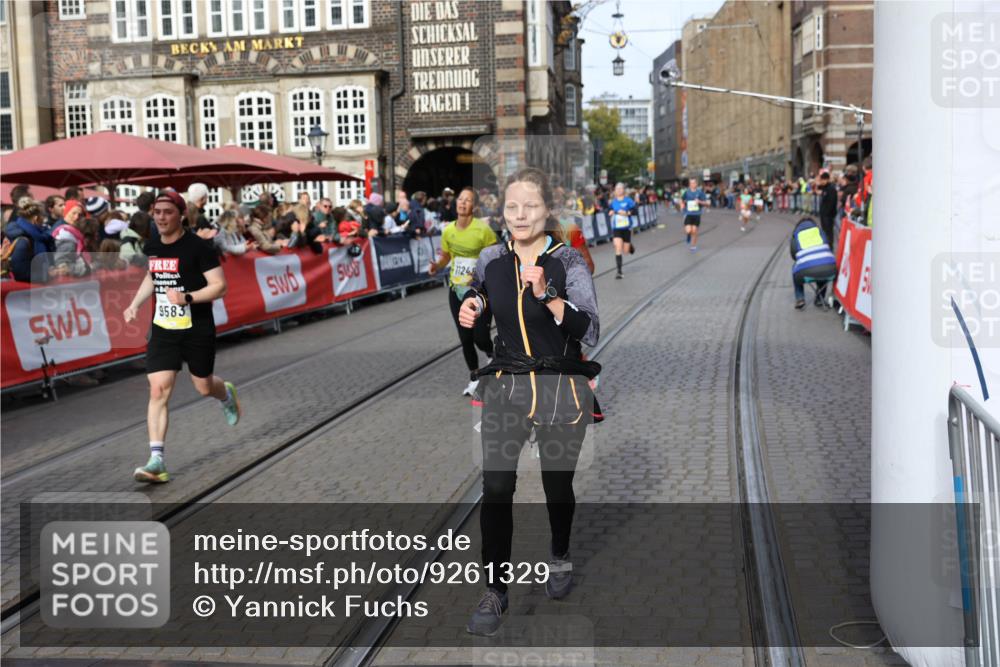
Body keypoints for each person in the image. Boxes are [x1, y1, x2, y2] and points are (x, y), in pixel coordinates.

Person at [457, 167, 600, 636]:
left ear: (547, 211)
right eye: (512, 207)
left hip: (560, 388)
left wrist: (549, 297)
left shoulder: (569, 262)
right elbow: (480, 324)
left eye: (530, 206)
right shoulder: (491, 259)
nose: (520, 215)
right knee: (496, 487)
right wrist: (471, 313)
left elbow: (590, 331)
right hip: (506, 386)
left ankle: (559, 553)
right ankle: (495, 591)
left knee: (557, 488)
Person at [123, 189, 241, 484]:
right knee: (158, 390)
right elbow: (154, 275)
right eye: (157, 212)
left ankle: (224, 394)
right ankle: (156, 460)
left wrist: (187, 297)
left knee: (203, 386)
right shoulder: (152, 245)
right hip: (163, 328)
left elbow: (219, 286)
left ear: (181, 215)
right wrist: (135, 303)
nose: (161, 217)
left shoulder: (199, 248)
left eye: (168, 212)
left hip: (196, 326)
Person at [428, 186, 497, 396]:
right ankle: (474, 378)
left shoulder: (483, 230)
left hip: (479, 292)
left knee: (480, 337)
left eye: (468, 200)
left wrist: (478, 275)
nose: (463, 202)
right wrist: (437, 266)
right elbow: (447, 256)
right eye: (460, 199)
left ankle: (493, 354)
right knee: (465, 338)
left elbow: (494, 258)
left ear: (474, 206)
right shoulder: (448, 230)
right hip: (456, 290)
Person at [790, 217, 837, 310]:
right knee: (822, 262)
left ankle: (800, 298)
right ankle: (820, 298)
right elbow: (828, 245)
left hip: (806, 271)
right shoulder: (820, 231)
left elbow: (793, 255)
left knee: (794, 268)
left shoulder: (796, 234)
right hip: (830, 270)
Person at [3, 200, 56, 283]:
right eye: (43, 217)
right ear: (36, 218)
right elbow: (21, 274)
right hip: (26, 291)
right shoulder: (23, 239)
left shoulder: (37, 236)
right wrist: (48, 274)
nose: (44, 220)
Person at [52, 199, 92, 277]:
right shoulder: (64, 234)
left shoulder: (74, 230)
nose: (77, 217)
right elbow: (63, 266)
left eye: (80, 215)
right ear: (66, 213)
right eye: (73, 213)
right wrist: (87, 268)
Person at [608, 182, 636, 278]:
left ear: (623, 190)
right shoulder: (613, 202)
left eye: (620, 188)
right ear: (615, 191)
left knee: (626, 251)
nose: (619, 190)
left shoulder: (628, 201)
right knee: (618, 248)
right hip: (617, 229)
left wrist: (627, 213)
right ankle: (619, 272)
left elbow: (635, 211)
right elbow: (609, 210)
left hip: (626, 228)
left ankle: (630, 246)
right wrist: (611, 212)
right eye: (617, 189)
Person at [681, 177, 710, 251]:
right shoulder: (686, 192)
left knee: (694, 231)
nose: (692, 184)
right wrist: (682, 206)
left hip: (697, 214)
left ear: (696, 184)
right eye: (690, 183)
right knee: (688, 230)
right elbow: (682, 200)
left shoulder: (700, 192)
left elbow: (707, 203)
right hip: (688, 214)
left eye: (693, 183)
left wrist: (699, 202)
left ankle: (693, 246)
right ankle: (688, 235)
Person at [818, 172, 838, 249]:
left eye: (822, 180)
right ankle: (826, 245)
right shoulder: (825, 188)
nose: (821, 182)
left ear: (827, 179)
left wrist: (827, 213)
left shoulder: (831, 189)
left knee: (829, 231)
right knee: (824, 231)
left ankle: (830, 246)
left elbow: (832, 202)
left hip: (828, 215)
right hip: (824, 214)